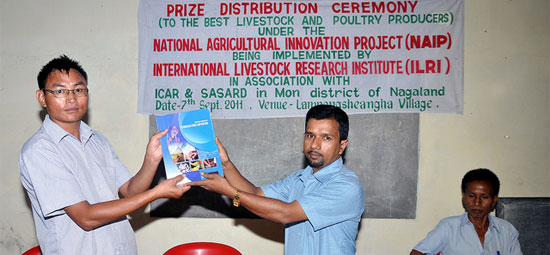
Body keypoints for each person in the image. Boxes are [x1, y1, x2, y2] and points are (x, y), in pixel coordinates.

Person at [19, 55, 190, 255]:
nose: (71, 98)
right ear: (42, 98)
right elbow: (86, 217)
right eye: (59, 91)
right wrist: (157, 193)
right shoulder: (40, 150)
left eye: (78, 89)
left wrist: (151, 160)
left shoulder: (97, 140)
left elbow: (130, 192)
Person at [189, 104, 365, 255]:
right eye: (310, 135)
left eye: (326, 138)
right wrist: (226, 164)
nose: (314, 145)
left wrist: (229, 192)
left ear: (342, 146)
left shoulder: (346, 186)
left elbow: (286, 213)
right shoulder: (299, 178)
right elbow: (256, 194)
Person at [410, 168, 523, 255]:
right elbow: (416, 253)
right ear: (464, 197)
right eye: (471, 196)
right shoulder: (449, 227)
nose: (477, 202)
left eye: (484, 197)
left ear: (494, 200)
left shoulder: (506, 231)